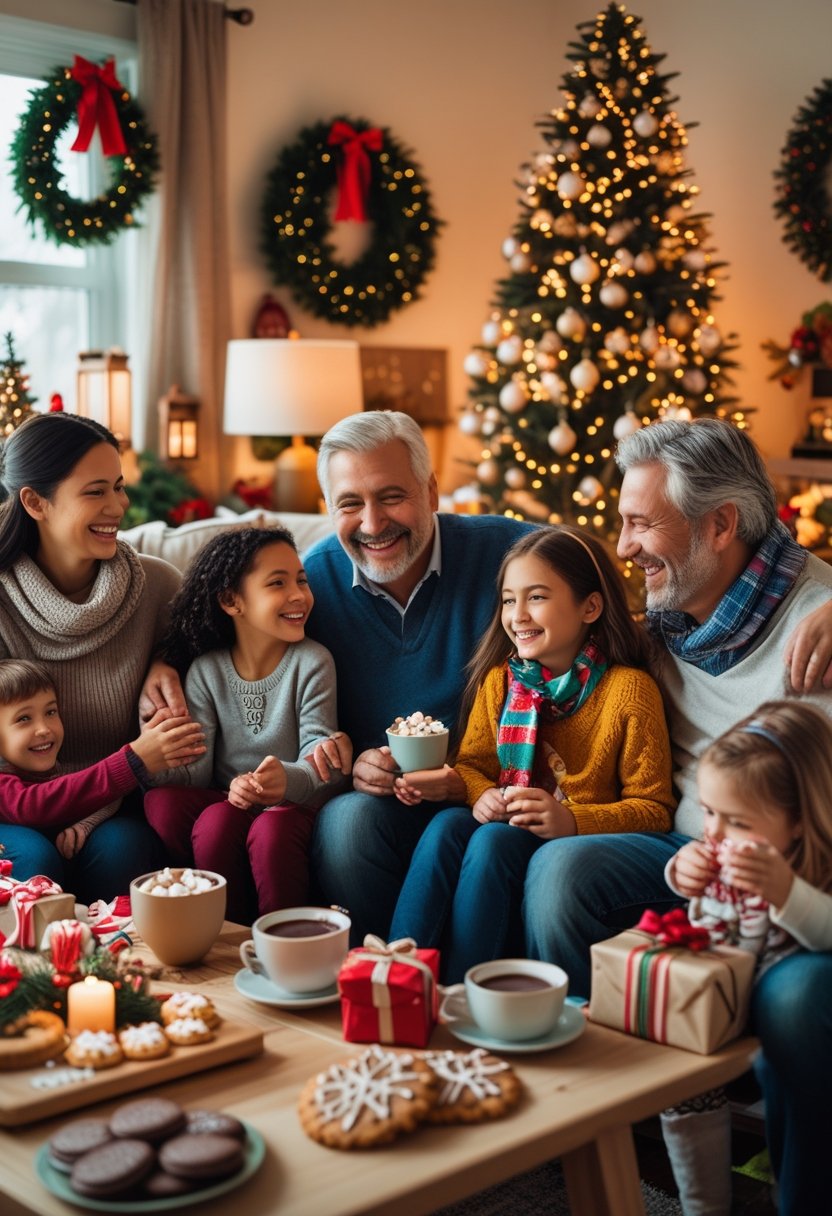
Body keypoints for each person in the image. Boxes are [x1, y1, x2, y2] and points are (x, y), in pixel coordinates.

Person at [521, 418, 832, 1216]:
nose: (623, 547)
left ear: (720, 524)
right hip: (674, 842)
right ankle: (619, 1142)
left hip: (793, 872)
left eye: (638, 523)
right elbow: (528, 609)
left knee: (796, 993)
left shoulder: (818, 619)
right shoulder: (659, 621)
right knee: (560, 871)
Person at [388, 525, 674, 981]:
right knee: (447, 825)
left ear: (590, 607)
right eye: (507, 600)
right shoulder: (500, 682)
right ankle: (396, 968)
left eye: (536, 597)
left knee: (495, 839)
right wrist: (480, 794)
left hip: (575, 838)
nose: (517, 614)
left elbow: (654, 809)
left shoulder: (629, 692)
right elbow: (473, 765)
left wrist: (572, 821)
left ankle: (468, 988)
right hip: (509, 815)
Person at [304, 410, 535, 943]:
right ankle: (381, 978)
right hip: (387, 805)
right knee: (345, 824)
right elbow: (229, 641)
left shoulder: (511, 556)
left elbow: (596, 603)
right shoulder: (310, 584)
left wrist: (474, 781)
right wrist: (356, 763)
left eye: (391, 496)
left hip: (495, 793)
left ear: (432, 491)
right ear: (328, 508)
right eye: (350, 504)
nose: (372, 523)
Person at [0, 411, 194, 900]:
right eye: (96, 491)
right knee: (35, 862)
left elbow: (217, 657)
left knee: (125, 849)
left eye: (120, 487)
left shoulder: (159, 587)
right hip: (11, 807)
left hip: (113, 806)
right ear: (34, 502)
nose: (119, 506)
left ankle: (120, 974)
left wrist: (166, 657)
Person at [660, 702, 832, 1216]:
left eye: (735, 821)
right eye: (709, 812)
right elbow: (697, 896)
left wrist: (787, 893)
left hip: (796, 991)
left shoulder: (814, 862)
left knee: (793, 1007)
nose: (713, 833)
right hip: (724, 980)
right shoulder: (719, 847)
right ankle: (703, 1203)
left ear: (799, 822)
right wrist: (681, 869)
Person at [146, 526, 352, 924]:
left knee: (270, 833)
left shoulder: (312, 662)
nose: (298, 595)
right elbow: (197, 770)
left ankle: (284, 939)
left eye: (301, 580)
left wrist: (284, 780)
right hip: (230, 799)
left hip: (293, 803)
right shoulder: (206, 671)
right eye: (277, 583)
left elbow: (319, 757)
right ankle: (227, 934)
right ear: (230, 600)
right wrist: (157, 750)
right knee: (192, 814)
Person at [0, 658, 202, 888]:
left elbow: (104, 797)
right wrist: (133, 761)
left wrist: (85, 824)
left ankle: (111, 920)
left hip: (79, 858)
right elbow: (35, 805)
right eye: (24, 718)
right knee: (35, 856)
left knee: (125, 842)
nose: (44, 728)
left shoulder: (59, 772)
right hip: (30, 854)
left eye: (51, 712)